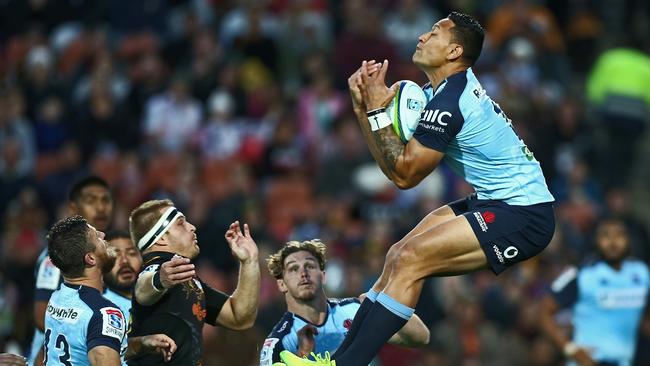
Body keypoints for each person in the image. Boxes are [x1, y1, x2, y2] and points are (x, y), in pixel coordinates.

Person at [280, 12, 555, 366]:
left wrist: (378, 109)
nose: (423, 36)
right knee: (397, 254)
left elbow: (405, 177)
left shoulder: (450, 103)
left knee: (412, 259)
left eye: (435, 33)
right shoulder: (435, 95)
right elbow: (394, 163)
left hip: (524, 214)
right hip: (496, 201)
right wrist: (364, 108)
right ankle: (333, 360)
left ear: (454, 51)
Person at [127, 199, 260, 365]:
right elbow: (142, 290)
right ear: (161, 239)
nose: (192, 227)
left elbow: (239, 317)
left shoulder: (187, 279)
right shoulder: (155, 269)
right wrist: (159, 280)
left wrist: (249, 262)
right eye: (181, 223)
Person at [259, 240, 429, 365]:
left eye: (310, 266)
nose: (303, 274)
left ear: (323, 275)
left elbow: (421, 337)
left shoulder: (353, 310)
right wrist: (302, 355)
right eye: (293, 269)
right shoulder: (280, 341)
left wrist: (383, 305)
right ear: (281, 284)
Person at [43, 216, 174, 366]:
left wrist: (142, 343)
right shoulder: (103, 313)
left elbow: (91, 346)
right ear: (91, 259)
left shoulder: (57, 298)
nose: (103, 235)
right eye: (96, 237)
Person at [540, 218, 649, 366]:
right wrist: (570, 349)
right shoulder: (582, 274)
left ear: (629, 239)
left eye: (619, 235)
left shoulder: (642, 273)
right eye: (605, 235)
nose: (613, 242)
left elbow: (643, 318)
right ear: (596, 240)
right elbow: (543, 312)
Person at [29, 176, 113, 366]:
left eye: (105, 200)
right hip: (51, 354)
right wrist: (93, 331)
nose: (100, 208)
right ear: (74, 208)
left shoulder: (110, 249)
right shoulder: (54, 257)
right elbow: (41, 314)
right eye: (91, 201)